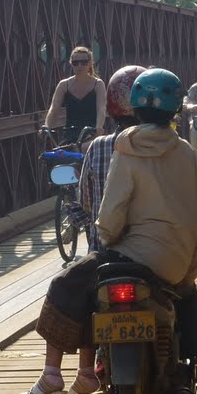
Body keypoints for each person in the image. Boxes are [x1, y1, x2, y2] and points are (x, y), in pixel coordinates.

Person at [17, 69, 197, 394]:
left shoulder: (126, 147)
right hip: (178, 262)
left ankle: (56, 372)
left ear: (134, 109)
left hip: (130, 257)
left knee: (67, 283)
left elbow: (110, 213)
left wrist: (108, 241)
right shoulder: (188, 153)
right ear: (175, 110)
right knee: (189, 297)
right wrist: (188, 269)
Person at [71, 65, 146, 253]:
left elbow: (86, 202)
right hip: (150, 252)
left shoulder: (97, 147)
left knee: (61, 283)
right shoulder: (169, 145)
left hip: (102, 250)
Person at [43, 46, 106, 143]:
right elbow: (54, 108)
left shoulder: (98, 84)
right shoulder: (64, 85)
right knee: (59, 155)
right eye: (75, 63)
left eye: (83, 62)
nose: (79, 66)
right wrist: (47, 126)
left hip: (90, 133)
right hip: (69, 134)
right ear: (71, 64)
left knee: (86, 149)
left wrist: (98, 128)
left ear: (90, 64)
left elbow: (101, 109)